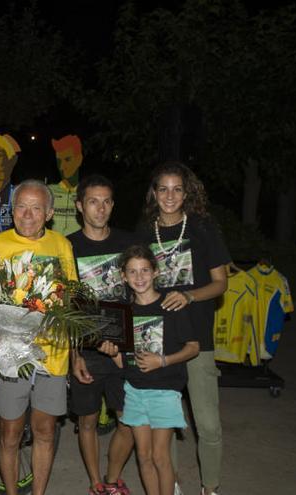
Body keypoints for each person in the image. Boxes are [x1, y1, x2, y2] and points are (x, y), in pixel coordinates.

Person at [0, 179, 77, 495]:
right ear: (11, 211)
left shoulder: (61, 245)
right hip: (11, 356)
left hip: (53, 353)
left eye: (36, 208)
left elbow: (71, 299)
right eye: (21, 206)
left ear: (49, 213)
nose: (28, 214)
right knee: (11, 433)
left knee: (45, 430)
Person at [140, 162, 230, 495]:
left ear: (187, 192)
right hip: (159, 339)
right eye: (163, 188)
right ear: (154, 193)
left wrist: (189, 296)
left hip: (197, 336)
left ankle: (210, 487)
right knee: (166, 422)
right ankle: (171, 484)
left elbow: (221, 283)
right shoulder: (145, 233)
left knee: (207, 423)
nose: (170, 196)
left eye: (177, 188)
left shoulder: (203, 228)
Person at [100, 245, 199, 495]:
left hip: (165, 390)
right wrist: (112, 354)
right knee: (143, 456)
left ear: (155, 272)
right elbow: (124, 363)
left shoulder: (172, 306)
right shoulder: (123, 314)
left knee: (160, 457)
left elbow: (193, 348)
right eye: (132, 272)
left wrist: (162, 361)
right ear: (123, 276)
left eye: (145, 270)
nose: (139, 277)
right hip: (134, 391)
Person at [67, 175, 136, 495]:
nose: (101, 208)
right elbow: (64, 307)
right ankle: (96, 483)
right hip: (88, 351)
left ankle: (113, 477)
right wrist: (74, 355)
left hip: (123, 349)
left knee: (129, 421)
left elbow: (141, 293)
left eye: (107, 201)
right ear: (80, 206)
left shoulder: (128, 244)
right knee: (88, 422)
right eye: (93, 201)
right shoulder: (68, 247)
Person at [48, 134, 84, 236]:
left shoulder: (87, 192)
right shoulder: (48, 191)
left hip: (79, 249)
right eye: (59, 161)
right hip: (53, 248)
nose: (62, 166)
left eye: (67, 159)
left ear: (79, 159)